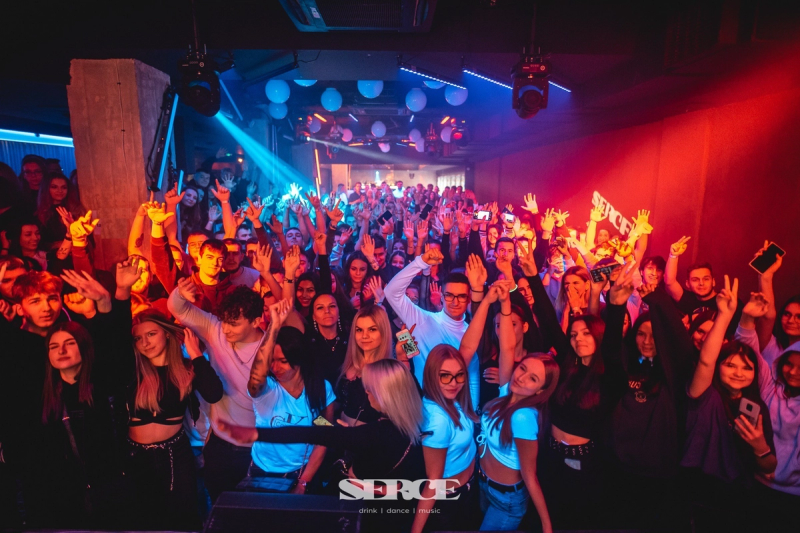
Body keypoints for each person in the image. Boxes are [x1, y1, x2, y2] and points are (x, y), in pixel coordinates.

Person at [219, 358, 425, 533]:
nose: (367, 391)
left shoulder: (372, 435)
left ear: (386, 393)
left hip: (365, 515)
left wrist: (256, 433)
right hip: (391, 514)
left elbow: (313, 434)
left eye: (371, 388)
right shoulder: (408, 426)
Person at [682, 282, 776, 532]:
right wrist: (725, 315)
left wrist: (760, 446)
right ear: (719, 367)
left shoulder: (755, 406)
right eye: (730, 365)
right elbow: (705, 361)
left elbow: (769, 466)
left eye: (747, 367)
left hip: (737, 497)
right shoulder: (704, 395)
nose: (738, 373)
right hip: (697, 492)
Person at [167, 281, 266, 503]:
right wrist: (180, 293)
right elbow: (178, 307)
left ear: (256, 321)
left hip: (257, 449)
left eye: (235, 324)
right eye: (225, 322)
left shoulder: (270, 347)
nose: (227, 329)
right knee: (219, 504)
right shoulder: (215, 329)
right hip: (220, 445)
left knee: (252, 510)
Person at [127, 309, 223, 530]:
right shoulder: (133, 370)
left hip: (175, 454)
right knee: (144, 519)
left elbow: (214, 393)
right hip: (136, 455)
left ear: (167, 333)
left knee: (183, 518)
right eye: (138, 338)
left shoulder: (186, 368)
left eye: (151, 334)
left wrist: (195, 354)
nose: (145, 343)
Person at [243, 299, 335, 494]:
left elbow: (324, 438)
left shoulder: (319, 387)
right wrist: (274, 326)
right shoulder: (266, 388)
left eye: (283, 361)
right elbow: (257, 373)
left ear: (298, 358)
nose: (275, 368)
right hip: (263, 473)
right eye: (272, 361)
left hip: (302, 473)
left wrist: (303, 483)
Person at [477, 337, 559, 531]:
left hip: (506, 499)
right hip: (485, 485)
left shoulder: (522, 417)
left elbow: (529, 475)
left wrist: (546, 525)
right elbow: (507, 346)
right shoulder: (507, 394)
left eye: (533, 378)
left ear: (541, 391)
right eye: (522, 368)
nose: (521, 377)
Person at [384, 247, 481, 408]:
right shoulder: (422, 319)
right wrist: (420, 262)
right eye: (449, 295)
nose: (455, 302)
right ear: (442, 296)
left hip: (455, 416)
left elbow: (473, 381)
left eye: (461, 296)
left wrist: (468, 419)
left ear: (469, 298)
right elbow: (391, 291)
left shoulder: (472, 335)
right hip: (419, 407)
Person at [735, 292, 800, 531]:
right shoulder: (771, 386)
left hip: (793, 495)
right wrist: (746, 319)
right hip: (756, 482)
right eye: (789, 365)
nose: (793, 372)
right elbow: (748, 350)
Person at [412, 344, 480, 533]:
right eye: (445, 375)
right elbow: (433, 483)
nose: (454, 382)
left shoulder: (452, 398)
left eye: (459, 375)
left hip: (467, 490)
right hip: (449, 502)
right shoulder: (439, 421)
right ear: (432, 376)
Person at [336, 304, 394, 426]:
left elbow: (393, 424)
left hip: (368, 442)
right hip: (341, 438)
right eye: (359, 330)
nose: (364, 336)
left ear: (383, 332)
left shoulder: (390, 373)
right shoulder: (347, 363)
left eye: (372, 329)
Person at [35, 173, 84, 249]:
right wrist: (54, 245)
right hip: (52, 256)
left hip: (76, 252)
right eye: (54, 187)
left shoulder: (76, 209)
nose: (60, 190)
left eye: (64, 187)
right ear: (46, 189)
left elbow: (87, 237)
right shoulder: (40, 213)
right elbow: (37, 242)